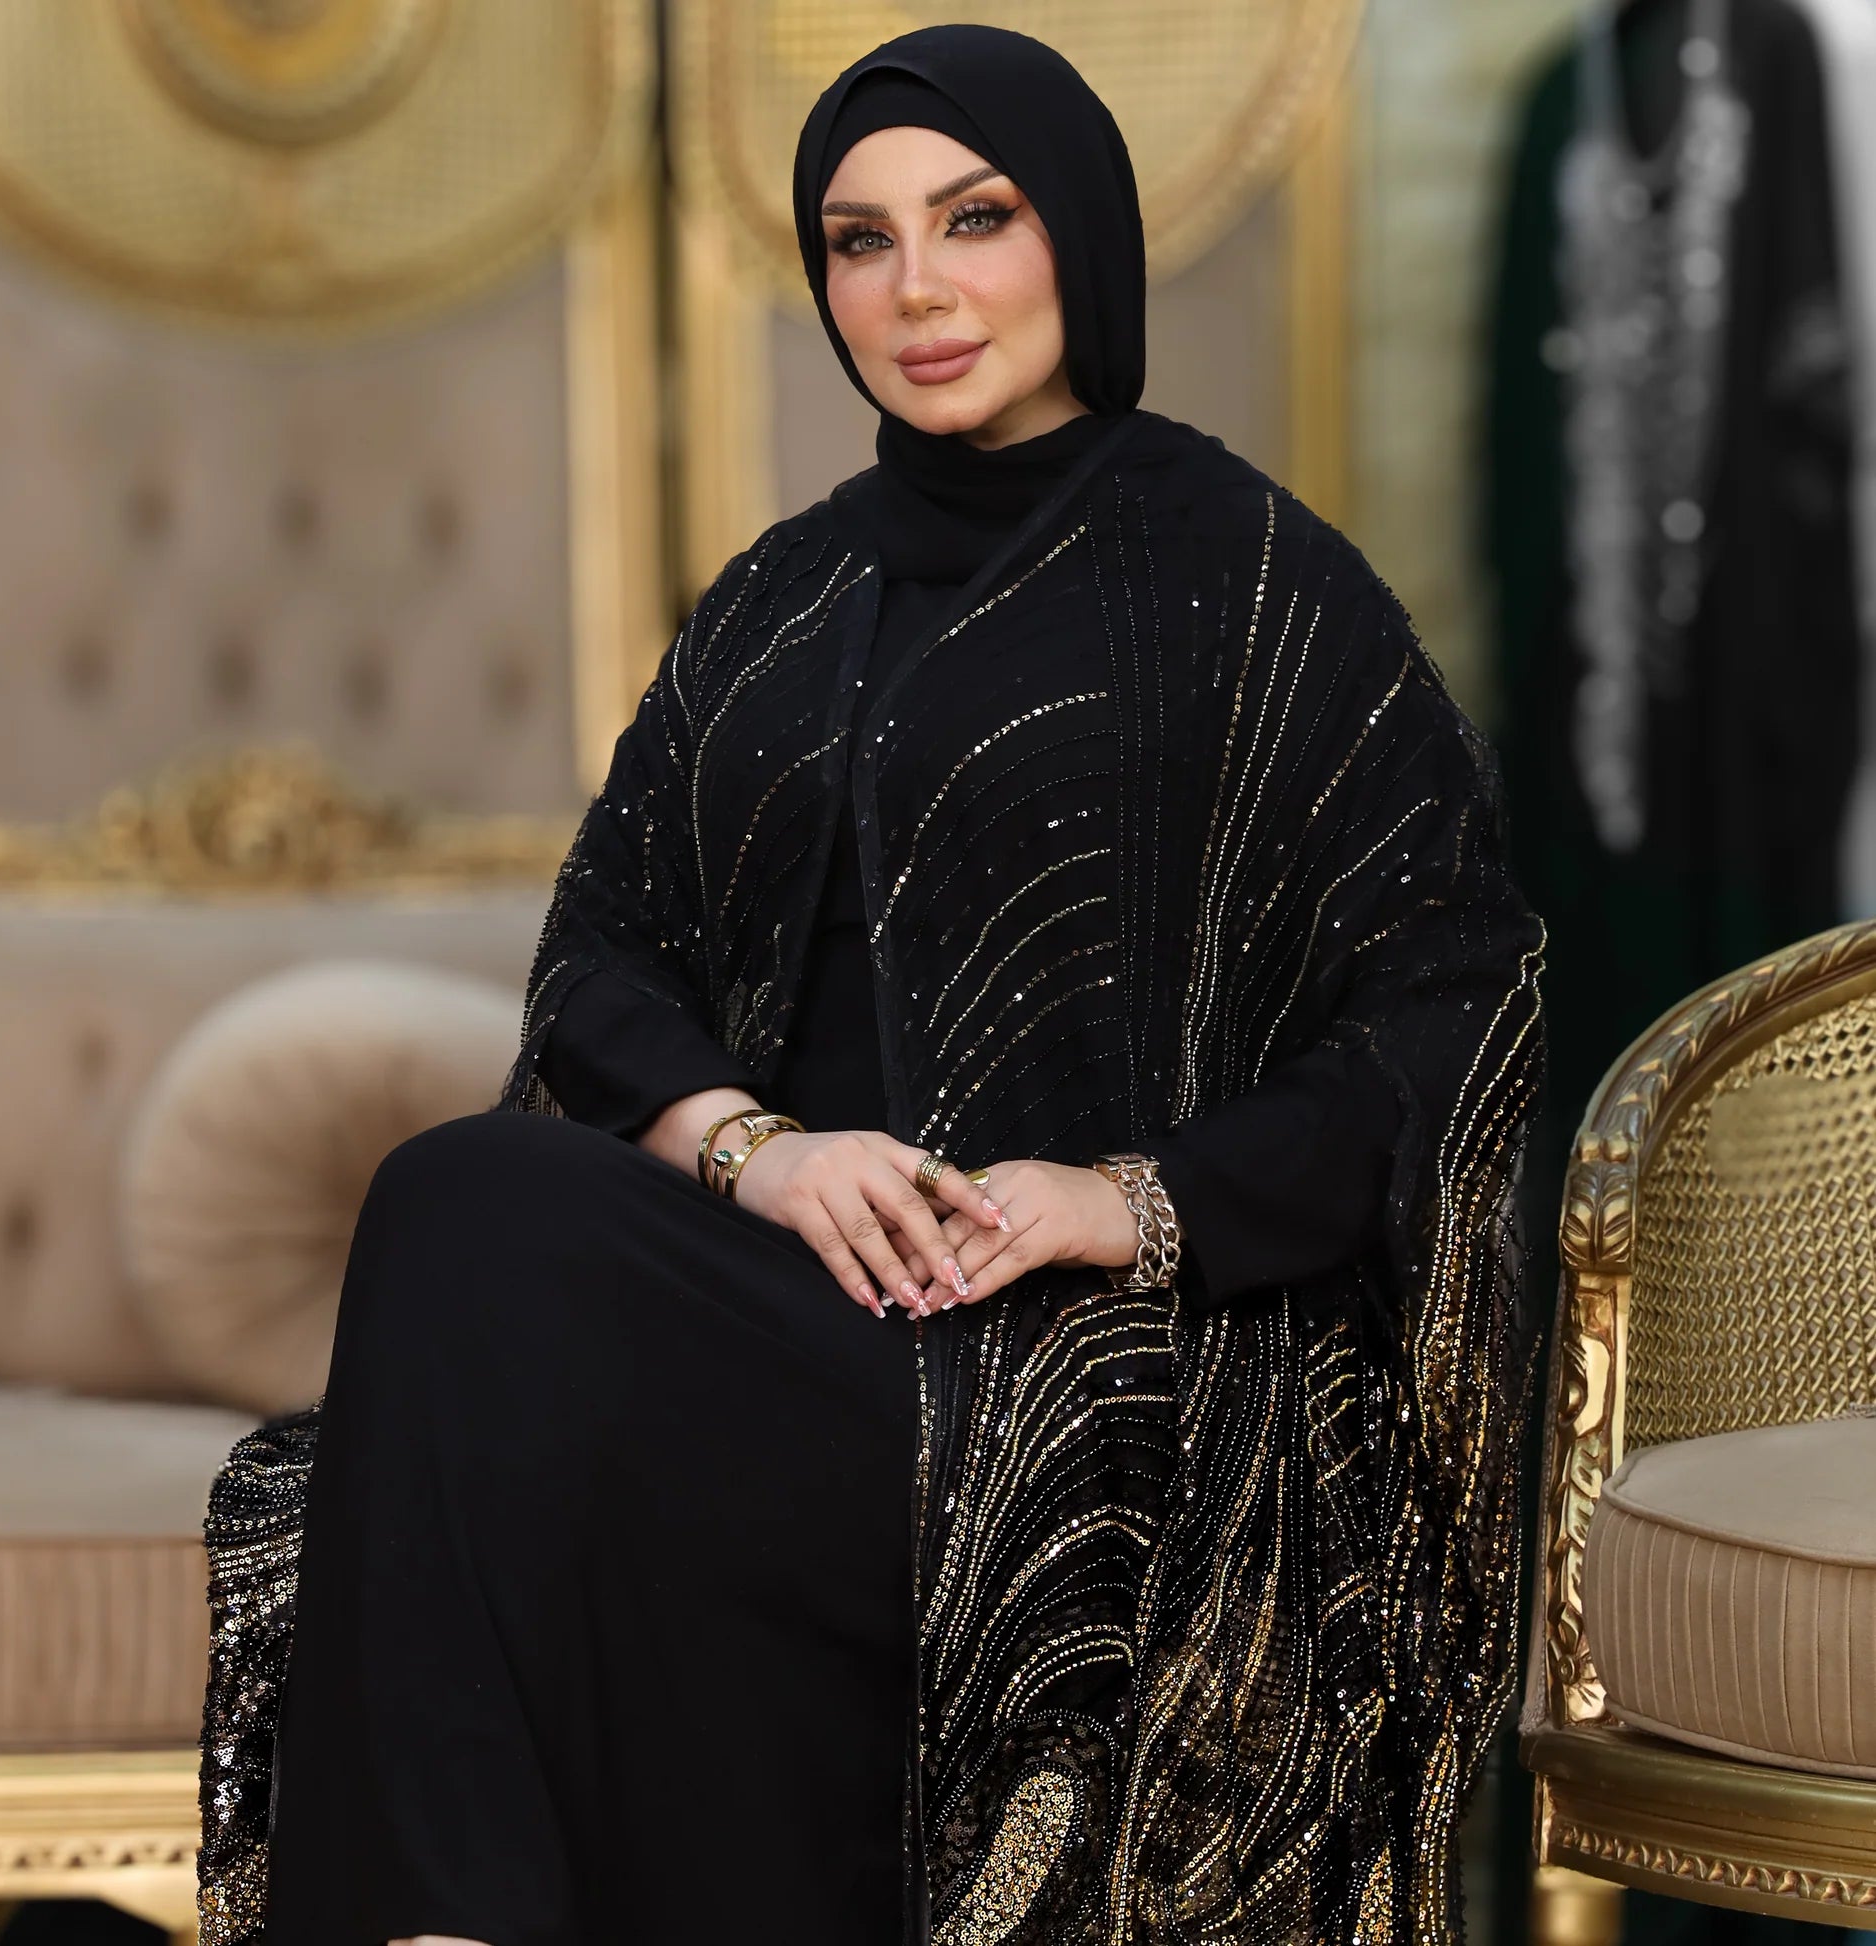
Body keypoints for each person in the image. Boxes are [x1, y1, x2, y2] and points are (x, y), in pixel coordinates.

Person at [197, 25, 1548, 1946]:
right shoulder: (783, 597)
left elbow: (1452, 1009)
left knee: (486, 1313)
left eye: (973, 219)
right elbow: (601, 954)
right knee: (454, 1199)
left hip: (1087, 1345)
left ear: (1078, 234)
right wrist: (766, 1155)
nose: (915, 288)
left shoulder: (1259, 585)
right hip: (797, 1293)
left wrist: (1130, 1200)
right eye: (859, 238)